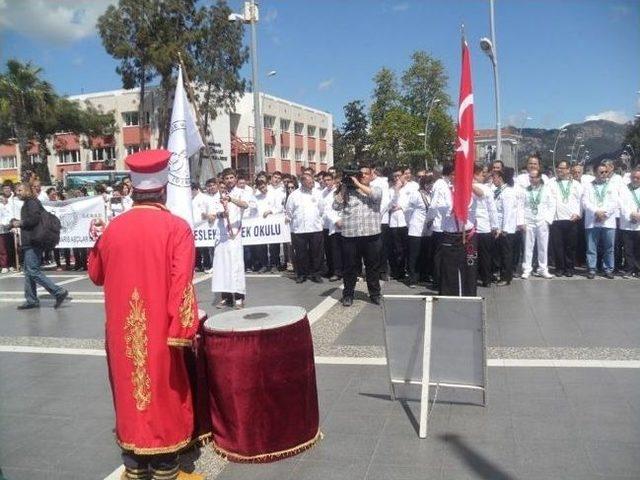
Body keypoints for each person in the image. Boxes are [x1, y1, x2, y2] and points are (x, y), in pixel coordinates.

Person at [88, 149, 204, 480]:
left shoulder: (112, 229)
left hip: (122, 332)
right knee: (164, 393)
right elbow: (182, 283)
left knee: (128, 391)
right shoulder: (176, 227)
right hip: (160, 330)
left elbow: (96, 275)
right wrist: (183, 328)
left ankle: (135, 464)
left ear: (133, 188)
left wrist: (95, 242)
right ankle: (166, 465)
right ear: (164, 189)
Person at [9, 182, 69, 309]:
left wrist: (19, 223)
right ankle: (31, 300)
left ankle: (58, 291)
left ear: (26, 190)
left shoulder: (31, 202)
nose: (17, 193)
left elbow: (34, 220)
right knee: (28, 272)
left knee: (33, 271)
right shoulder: (28, 203)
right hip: (30, 241)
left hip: (33, 241)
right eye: (17, 191)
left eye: (20, 190)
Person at [332, 164, 383, 306]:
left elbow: (375, 196)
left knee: (372, 267)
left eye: (365, 174)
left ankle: (375, 294)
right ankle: (348, 294)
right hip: (350, 235)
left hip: (371, 235)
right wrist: (343, 189)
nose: (362, 176)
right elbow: (335, 206)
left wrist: (358, 184)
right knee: (350, 267)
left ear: (371, 175)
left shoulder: (376, 189)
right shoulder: (347, 190)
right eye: (360, 174)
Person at [426, 163, 479, 296]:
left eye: (459, 174)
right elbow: (438, 207)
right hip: (450, 234)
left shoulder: (471, 190)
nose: (456, 176)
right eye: (454, 174)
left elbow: (482, 197)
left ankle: (469, 295)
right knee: (449, 268)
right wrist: (453, 209)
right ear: (450, 176)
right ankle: (449, 296)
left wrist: (468, 186)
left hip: (468, 235)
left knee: (470, 266)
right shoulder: (444, 189)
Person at [211, 168, 251, 308]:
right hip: (223, 235)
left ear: (235, 178)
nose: (229, 181)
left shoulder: (241, 192)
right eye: (226, 178)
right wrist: (223, 213)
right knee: (223, 265)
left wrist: (231, 200)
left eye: (231, 178)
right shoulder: (219, 194)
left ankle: (239, 297)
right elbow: (216, 213)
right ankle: (226, 298)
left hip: (235, 234)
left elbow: (245, 205)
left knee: (236, 264)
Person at [285, 172, 324, 283]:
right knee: (301, 253)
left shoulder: (317, 193)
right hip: (299, 229)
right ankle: (302, 274)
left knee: (316, 253)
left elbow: (321, 209)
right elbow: (289, 211)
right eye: (310, 182)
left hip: (315, 228)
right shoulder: (294, 195)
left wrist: (317, 220)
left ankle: (316, 274)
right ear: (302, 183)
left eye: (312, 182)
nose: (312, 184)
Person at [583, 163, 620, 279]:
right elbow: (585, 202)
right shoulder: (588, 186)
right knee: (591, 247)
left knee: (609, 247)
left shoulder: (612, 186)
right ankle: (592, 269)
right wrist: (596, 212)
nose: (604, 174)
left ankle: (608, 269)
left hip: (608, 221)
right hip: (593, 220)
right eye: (601, 172)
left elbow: (615, 202)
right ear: (595, 173)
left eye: (606, 172)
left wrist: (605, 214)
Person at [549, 160, 583, 277]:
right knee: (557, 246)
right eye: (558, 168)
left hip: (571, 219)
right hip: (556, 219)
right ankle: (559, 268)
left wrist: (578, 214)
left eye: (562, 168)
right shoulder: (552, 183)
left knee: (570, 246)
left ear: (568, 170)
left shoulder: (576, 185)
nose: (559, 170)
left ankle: (569, 268)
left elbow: (581, 202)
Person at [401, 174, 436, 288]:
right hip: (416, 227)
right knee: (414, 254)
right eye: (428, 183)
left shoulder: (432, 195)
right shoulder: (416, 194)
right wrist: (409, 223)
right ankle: (412, 278)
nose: (430, 186)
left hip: (428, 228)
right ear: (424, 184)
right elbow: (408, 210)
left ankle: (424, 275)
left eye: (431, 183)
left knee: (425, 253)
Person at [520, 169, 555, 279]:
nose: (531, 179)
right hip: (529, 221)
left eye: (533, 177)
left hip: (542, 221)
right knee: (528, 247)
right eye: (530, 177)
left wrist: (547, 220)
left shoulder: (546, 190)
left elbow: (552, 205)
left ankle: (543, 269)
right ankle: (527, 269)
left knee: (543, 246)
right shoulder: (525, 190)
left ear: (539, 178)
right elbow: (521, 207)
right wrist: (522, 222)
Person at [471, 165, 498, 287]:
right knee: (486, 255)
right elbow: (492, 209)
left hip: (471, 228)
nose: (484, 177)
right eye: (482, 174)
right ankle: (486, 279)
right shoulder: (486, 189)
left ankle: (472, 277)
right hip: (484, 227)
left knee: (472, 255)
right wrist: (495, 226)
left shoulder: (465, 187)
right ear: (476, 174)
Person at [492, 169, 519, 285]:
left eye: (494, 178)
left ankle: (506, 277)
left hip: (506, 229)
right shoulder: (499, 191)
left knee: (506, 254)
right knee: (501, 253)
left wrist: (505, 229)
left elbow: (508, 212)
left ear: (500, 178)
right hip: (500, 227)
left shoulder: (507, 192)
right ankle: (502, 274)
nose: (493, 180)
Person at [619, 167, 640, 278]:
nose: (635, 180)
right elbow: (622, 205)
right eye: (634, 177)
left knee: (638, 249)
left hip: (639, 224)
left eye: (638, 178)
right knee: (628, 249)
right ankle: (629, 269)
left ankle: (638, 269)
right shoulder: (624, 189)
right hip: (627, 223)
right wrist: (631, 214)